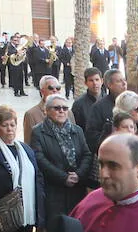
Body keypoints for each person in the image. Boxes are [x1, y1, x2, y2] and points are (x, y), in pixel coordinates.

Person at [31, 94, 92, 222]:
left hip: (77, 190)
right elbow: (40, 159)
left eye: (65, 108)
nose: (61, 111)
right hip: (54, 192)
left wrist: (78, 175)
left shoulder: (77, 130)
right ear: (47, 110)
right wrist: (63, 177)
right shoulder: (38, 132)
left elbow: (86, 154)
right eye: (57, 108)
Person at [85, 69, 127, 155]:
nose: (124, 83)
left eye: (124, 80)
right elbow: (92, 137)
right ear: (109, 85)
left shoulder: (131, 103)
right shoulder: (98, 107)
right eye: (119, 81)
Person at [22, 75, 73, 143]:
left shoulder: (68, 113)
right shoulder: (31, 114)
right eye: (50, 88)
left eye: (58, 88)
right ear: (42, 91)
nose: (55, 90)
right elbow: (29, 143)